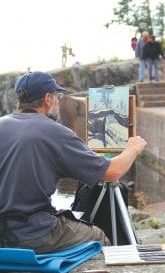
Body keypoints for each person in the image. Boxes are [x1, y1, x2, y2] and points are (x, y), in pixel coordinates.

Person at [0, 71, 147, 253]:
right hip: (34, 234)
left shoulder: (2, 124)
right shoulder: (55, 132)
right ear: (47, 98)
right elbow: (112, 173)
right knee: (98, 236)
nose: (59, 102)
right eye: (57, 96)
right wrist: (133, 147)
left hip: (3, 234)